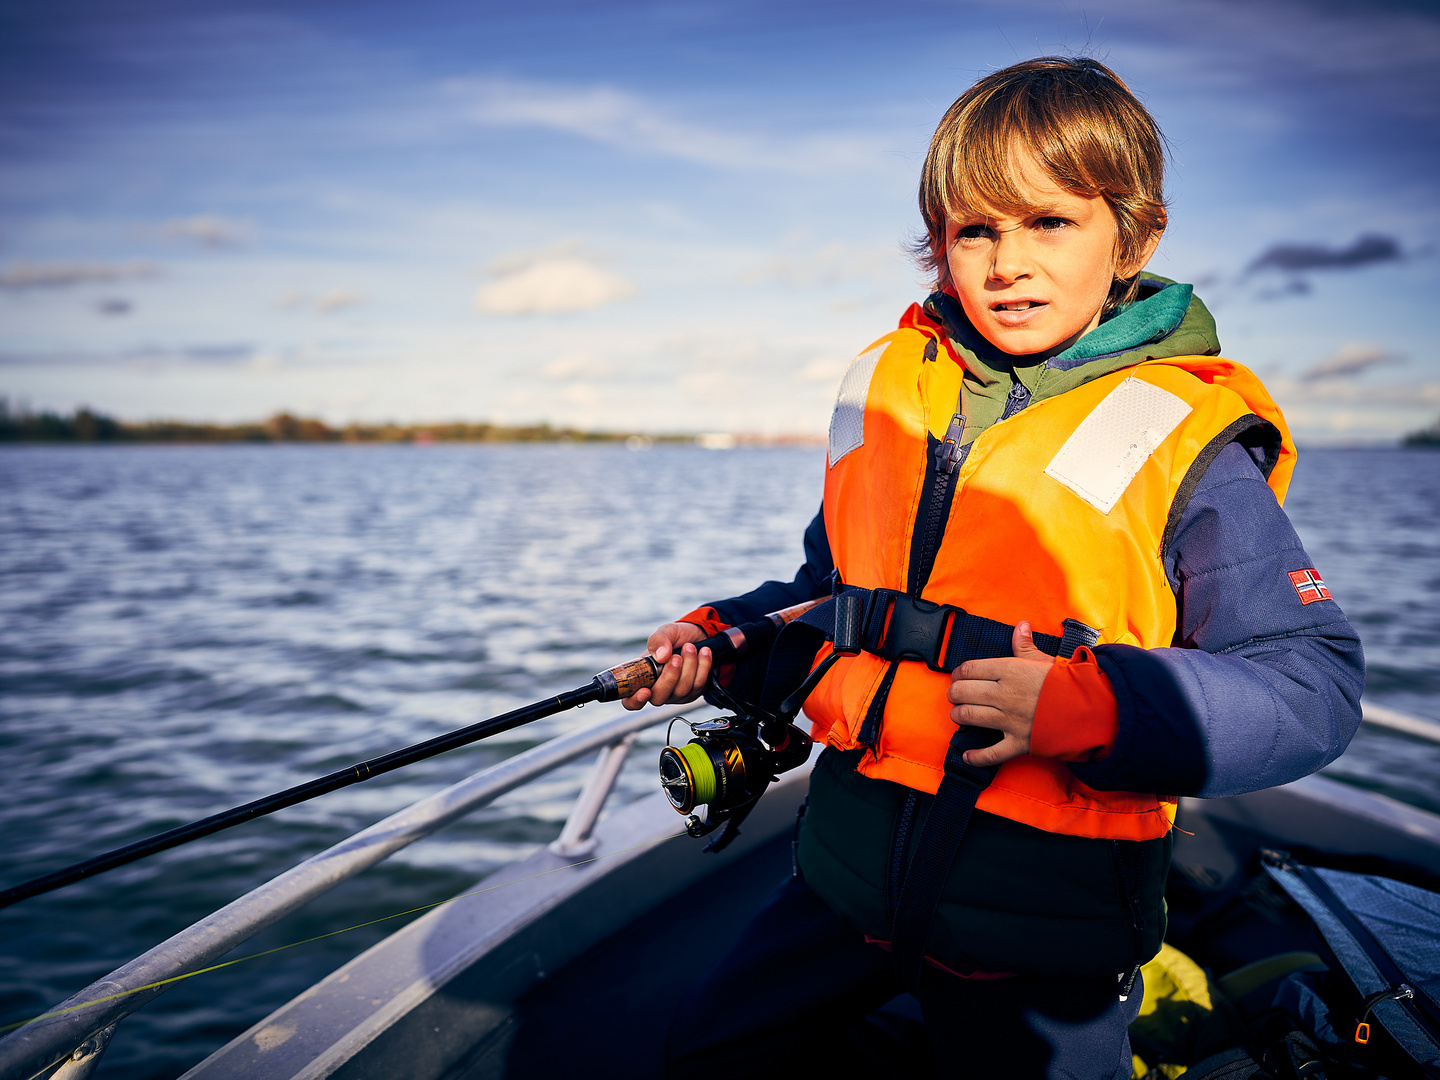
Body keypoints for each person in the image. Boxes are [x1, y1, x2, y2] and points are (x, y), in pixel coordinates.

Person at [623, 57, 1364, 1080]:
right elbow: (831, 597)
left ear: (1134, 237)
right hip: (844, 883)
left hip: (1045, 929)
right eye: (977, 230)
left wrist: (1093, 709)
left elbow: (1310, 680)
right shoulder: (893, 396)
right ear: (941, 244)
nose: (1007, 262)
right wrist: (727, 639)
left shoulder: (1185, 434)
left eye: (1049, 223)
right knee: (704, 1057)